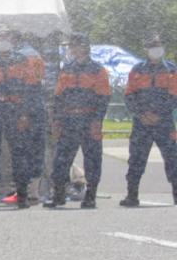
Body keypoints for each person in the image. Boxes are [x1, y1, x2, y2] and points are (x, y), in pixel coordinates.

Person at [0, 26, 45, 209]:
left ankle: (22, 196)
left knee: (19, 155)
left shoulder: (23, 61)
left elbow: (31, 89)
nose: (2, 40)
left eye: (5, 37)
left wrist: (24, 114)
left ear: (12, 40)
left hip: (16, 110)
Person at [49, 32, 110, 208]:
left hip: (89, 118)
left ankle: (91, 195)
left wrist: (97, 121)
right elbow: (59, 97)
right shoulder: (67, 69)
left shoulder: (97, 70)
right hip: (69, 119)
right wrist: (57, 120)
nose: (72, 49)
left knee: (92, 159)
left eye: (75, 45)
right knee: (61, 159)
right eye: (71, 46)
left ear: (85, 47)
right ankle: (59, 194)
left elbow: (103, 97)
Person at [121, 31, 177, 207]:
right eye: (152, 46)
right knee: (136, 159)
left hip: (165, 122)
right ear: (146, 49)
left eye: (158, 45)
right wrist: (142, 114)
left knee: (173, 158)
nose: (156, 49)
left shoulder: (172, 70)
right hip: (141, 123)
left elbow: (174, 96)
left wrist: (158, 114)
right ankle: (132, 195)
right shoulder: (137, 70)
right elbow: (129, 95)